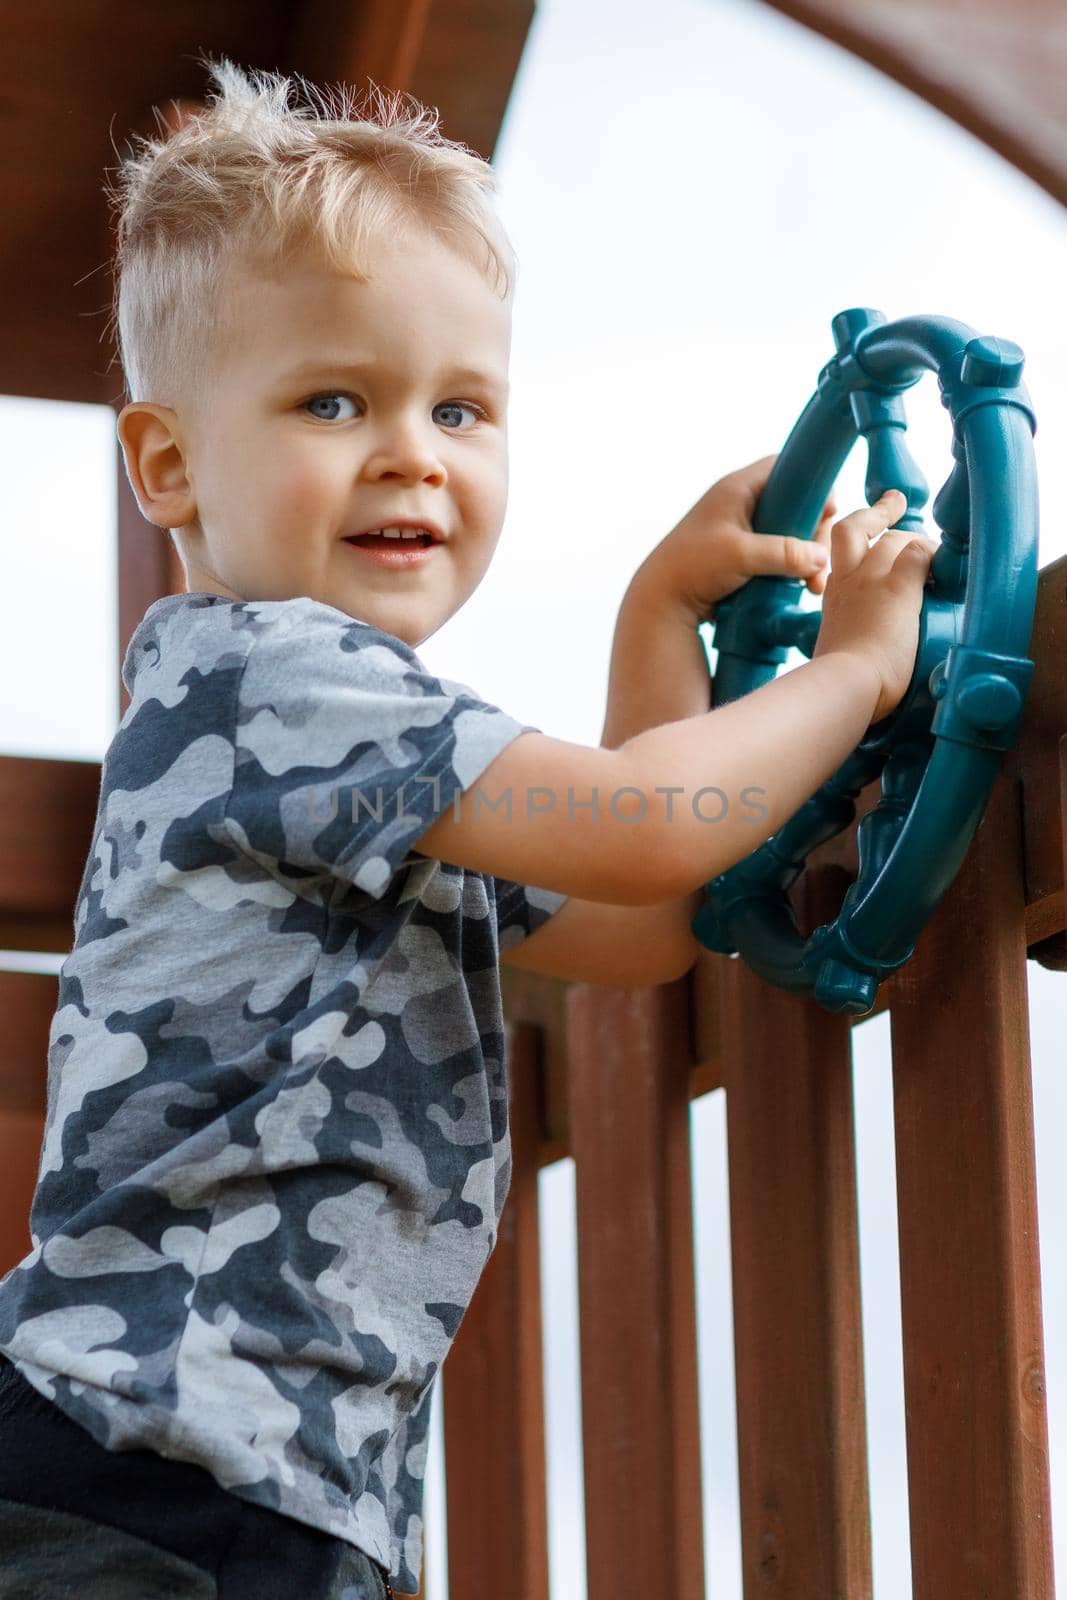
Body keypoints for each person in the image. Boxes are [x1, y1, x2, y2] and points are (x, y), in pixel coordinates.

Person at [0, 54, 937, 1600]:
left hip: (247, 1486)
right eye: (332, 400)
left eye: (462, 407)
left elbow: (635, 925)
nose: (413, 453)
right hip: (151, 1475)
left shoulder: (353, 755)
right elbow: (653, 826)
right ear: (170, 463)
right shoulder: (274, 683)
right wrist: (854, 673)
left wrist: (654, 616)